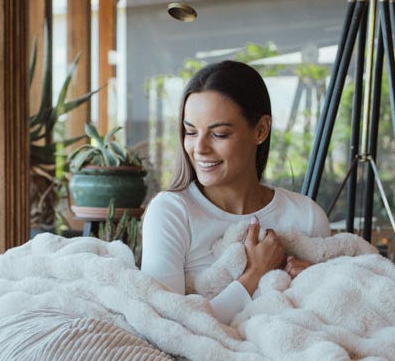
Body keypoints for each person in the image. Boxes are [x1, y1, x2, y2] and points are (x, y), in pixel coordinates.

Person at [140, 60, 330, 324]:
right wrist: (254, 275)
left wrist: (322, 282)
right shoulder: (172, 213)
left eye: (219, 134)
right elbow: (166, 325)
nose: (199, 148)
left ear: (261, 130)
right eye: (191, 132)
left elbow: (334, 313)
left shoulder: (306, 216)